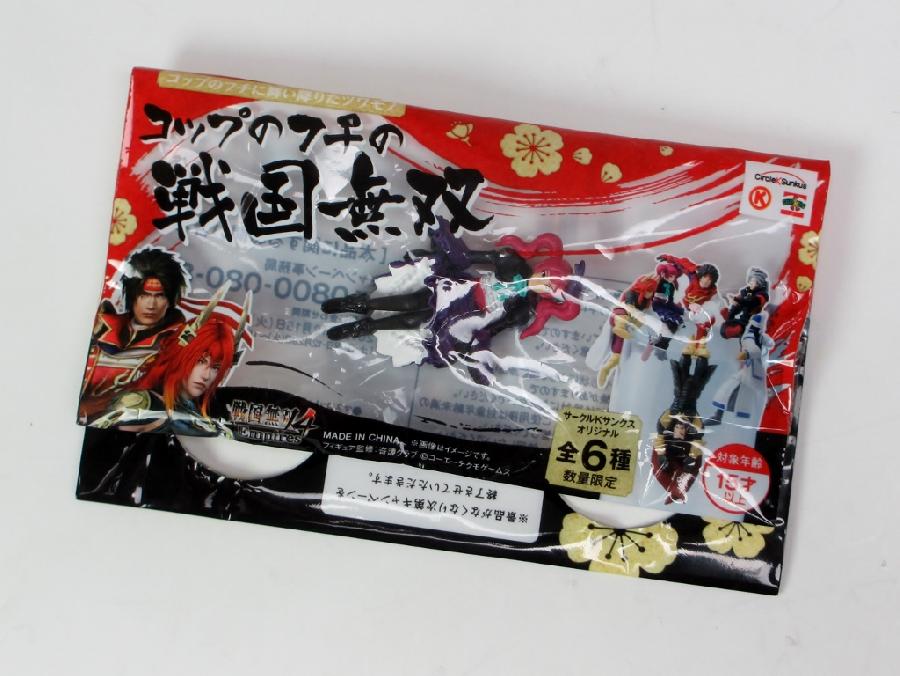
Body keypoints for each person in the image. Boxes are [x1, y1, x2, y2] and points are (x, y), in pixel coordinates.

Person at [321, 218, 584, 384]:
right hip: (461, 291)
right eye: (547, 276)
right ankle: (362, 304)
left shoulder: (525, 308)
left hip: (471, 317)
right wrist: (449, 245)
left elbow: (492, 329)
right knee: (414, 301)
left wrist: (479, 354)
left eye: (550, 288)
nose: (543, 283)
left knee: (419, 320)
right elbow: (470, 258)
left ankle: (366, 327)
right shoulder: (513, 262)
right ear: (544, 267)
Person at [79, 247, 188, 419]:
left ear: (169, 299)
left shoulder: (176, 343)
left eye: (159, 296)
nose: (151, 305)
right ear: (132, 296)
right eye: (144, 295)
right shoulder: (102, 328)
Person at [92, 318, 238, 436]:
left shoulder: (209, 421)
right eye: (200, 361)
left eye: (215, 367)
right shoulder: (141, 403)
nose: (206, 375)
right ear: (180, 355)